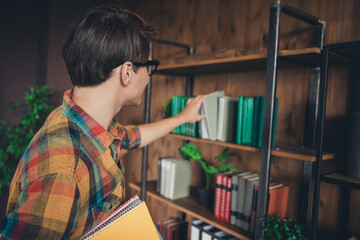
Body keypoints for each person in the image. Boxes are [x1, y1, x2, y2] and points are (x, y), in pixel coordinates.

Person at [0, 5, 206, 239]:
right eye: (149, 67)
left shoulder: (85, 124)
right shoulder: (65, 167)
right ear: (127, 72)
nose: (149, 77)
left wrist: (183, 118)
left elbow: (133, 138)